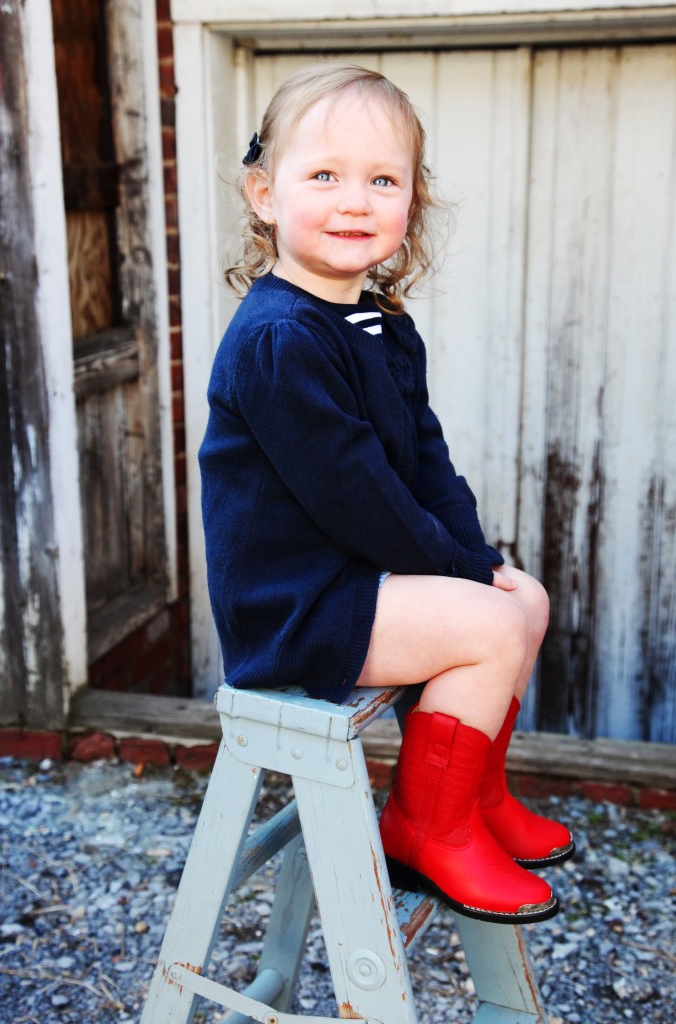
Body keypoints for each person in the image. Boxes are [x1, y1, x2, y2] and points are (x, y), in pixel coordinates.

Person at [199, 63, 574, 926]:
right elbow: (359, 496)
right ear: (264, 194)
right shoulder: (281, 338)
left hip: (358, 580)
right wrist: (460, 580)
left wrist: (474, 561)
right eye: (324, 175)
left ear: (412, 201)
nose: (354, 200)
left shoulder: (378, 323)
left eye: (383, 180)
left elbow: (425, 463)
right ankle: (425, 830)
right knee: (488, 623)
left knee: (525, 599)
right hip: (293, 604)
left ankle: (471, 800)